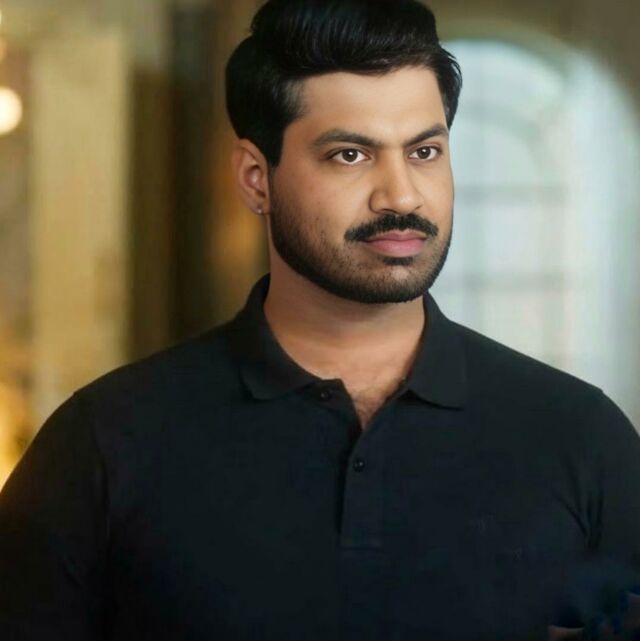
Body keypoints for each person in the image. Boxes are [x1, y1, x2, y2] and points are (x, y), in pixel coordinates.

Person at [1, 0, 639, 639]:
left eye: (424, 151)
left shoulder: (581, 436)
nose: (401, 195)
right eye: (350, 155)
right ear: (257, 179)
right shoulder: (102, 443)